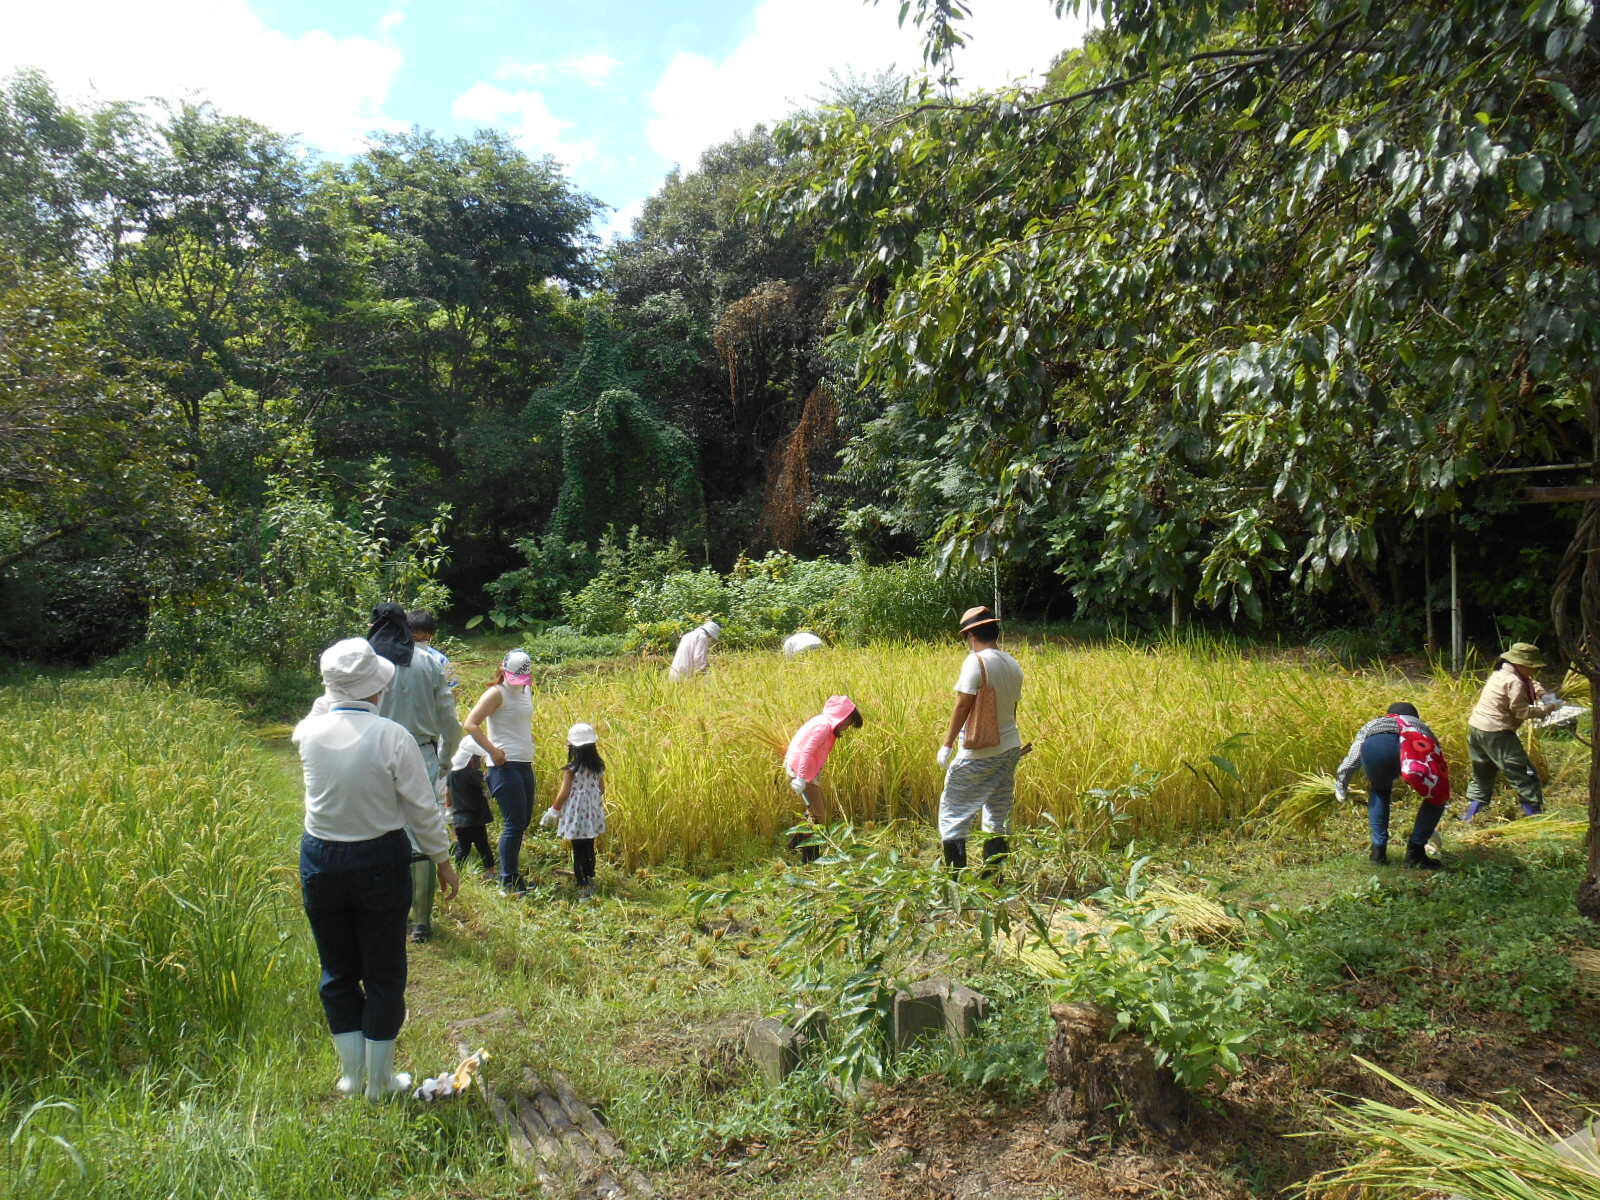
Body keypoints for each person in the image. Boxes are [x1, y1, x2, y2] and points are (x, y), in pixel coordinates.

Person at [293, 638, 459, 1101]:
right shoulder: (392, 737)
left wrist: (339, 692)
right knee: (384, 971)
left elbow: (324, 706)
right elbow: (422, 809)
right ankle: (381, 1082)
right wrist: (442, 861)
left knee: (337, 969)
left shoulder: (308, 733)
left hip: (321, 859)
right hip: (379, 861)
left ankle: (351, 1078)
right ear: (377, 689)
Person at [367, 603, 460, 944]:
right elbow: (450, 721)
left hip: (374, 752)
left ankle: (390, 912)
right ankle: (421, 921)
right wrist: (447, 759)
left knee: (379, 829)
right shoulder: (429, 663)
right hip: (422, 752)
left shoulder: (369, 664)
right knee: (423, 829)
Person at [935, 606, 1025, 874]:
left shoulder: (976, 661)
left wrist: (947, 744)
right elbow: (1012, 709)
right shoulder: (1012, 663)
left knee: (953, 812)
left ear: (971, 635)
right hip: (1010, 748)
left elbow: (963, 705)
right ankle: (993, 880)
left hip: (980, 753)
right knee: (997, 813)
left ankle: (955, 881)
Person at [1334, 702, 1448, 868]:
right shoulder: (1421, 727)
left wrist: (1341, 784)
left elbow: (1354, 757)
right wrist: (1430, 820)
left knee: (1380, 791)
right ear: (1415, 717)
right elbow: (1437, 767)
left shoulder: (1374, 724)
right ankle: (1415, 854)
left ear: (1388, 714)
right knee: (1436, 798)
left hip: (1378, 747)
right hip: (1415, 747)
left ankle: (1378, 852)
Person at [464, 649, 536, 896]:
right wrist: (493, 751)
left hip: (524, 762)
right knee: (514, 823)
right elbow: (471, 723)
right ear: (504, 670)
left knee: (523, 820)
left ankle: (513, 875)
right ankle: (508, 881)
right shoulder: (496, 693)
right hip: (504, 766)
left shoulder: (526, 691)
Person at [1463, 642, 1559, 821]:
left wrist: (1544, 695)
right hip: (1497, 733)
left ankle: (1470, 817)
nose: (1534, 671)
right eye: (1532, 667)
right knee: (1524, 774)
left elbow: (1531, 683)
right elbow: (1521, 711)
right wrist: (1547, 709)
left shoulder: (1500, 674)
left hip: (1477, 729)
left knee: (1482, 774)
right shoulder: (1515, 682)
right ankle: (1536, 819)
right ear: (1521, 665)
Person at [783, 695, 862, 861]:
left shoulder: (825, 725)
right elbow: (806, 751)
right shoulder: (824, 727)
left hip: (806, 772)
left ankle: (794, 845)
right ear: (842, 717)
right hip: (800, 772)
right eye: (848, 722)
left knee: (814, 813)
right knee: (818, 817)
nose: (847, 727)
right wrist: (801, 778)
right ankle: (810, 859)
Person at [552, 722, 607, 898]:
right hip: (591, 814)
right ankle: (590, 877)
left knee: (578, 849)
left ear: (573, 747)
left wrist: (553, 810)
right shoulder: (599, 767)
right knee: (589, 845)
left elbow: (564, 793)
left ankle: (582, 884)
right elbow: (602, 789)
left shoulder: (571, 770)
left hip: (576, 815)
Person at [446, 739, 495, 876]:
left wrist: (449, 806)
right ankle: (490, 871)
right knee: (483, 846)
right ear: (470, 759)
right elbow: (486, 788)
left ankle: (458, 873)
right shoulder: (473, 774)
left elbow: (447, 795)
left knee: (463, 848)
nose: (479, 762)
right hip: (475, 818)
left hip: (459, 819)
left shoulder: (451, 774)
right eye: (478, 758)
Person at [408, 608, 459, 691]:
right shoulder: (399, 657)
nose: (413, 634)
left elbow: (453, 688)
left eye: (417, 631)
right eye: (411, 631)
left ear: (430, 635)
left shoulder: (440, 660)